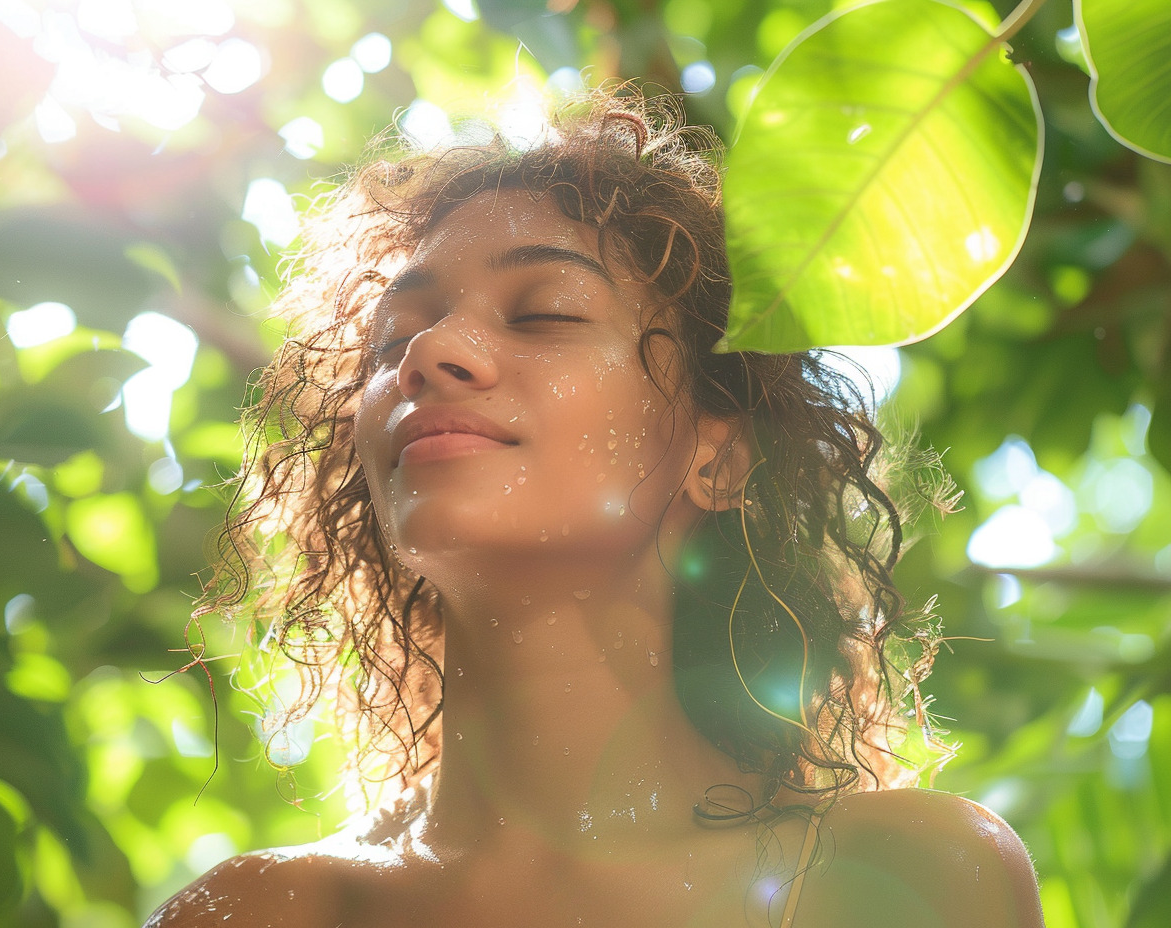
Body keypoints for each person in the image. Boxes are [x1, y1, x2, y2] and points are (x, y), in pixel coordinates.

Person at [146, 90, 1045, 927]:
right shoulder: (260, 912)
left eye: (544, 315)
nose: (432, 352)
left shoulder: (906, 877)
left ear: (719, 457)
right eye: (396, 337)